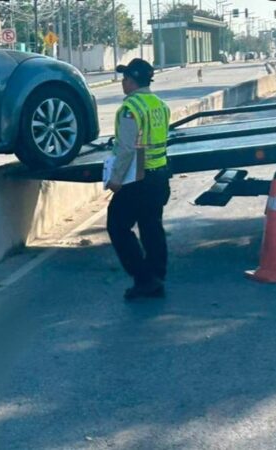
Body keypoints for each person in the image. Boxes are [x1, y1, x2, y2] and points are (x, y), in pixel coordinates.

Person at [106, 58, 172, 300]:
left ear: (131, 81)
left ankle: (144, 279)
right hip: (160, 175)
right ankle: (157, 276)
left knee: (117, 226)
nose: (123, 82)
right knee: (151, 226)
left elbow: (126, 149)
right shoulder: (160, 105)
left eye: (125, 78)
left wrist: (115, 179)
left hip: (138, 180)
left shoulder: (130, 109)